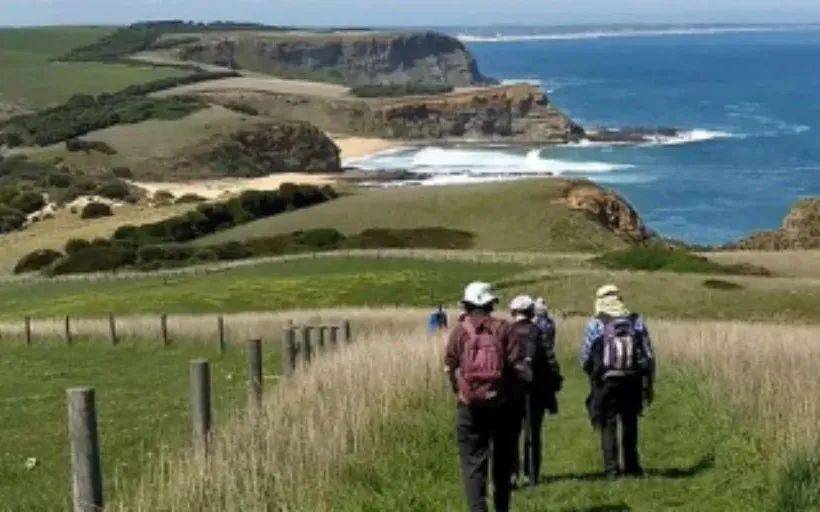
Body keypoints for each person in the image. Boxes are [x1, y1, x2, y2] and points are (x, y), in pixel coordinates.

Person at [445, 282, 530, 512]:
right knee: (502, 465)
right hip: (503, 406)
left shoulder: (459, 331)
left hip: (469, 406)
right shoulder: (504, 329)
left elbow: (449, 366)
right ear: (491, 303)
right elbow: (517, 367)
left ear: (468, 304)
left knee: (473, 466)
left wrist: (460, 392)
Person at [580, 284, 655, 479]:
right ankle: (632, 466)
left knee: (608, 423)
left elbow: (585, 357)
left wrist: (594, 375)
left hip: (606, 381)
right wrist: (648, 384)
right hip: (632, 378)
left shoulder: (596, 323)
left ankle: (611, 470)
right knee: (630, 422)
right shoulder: (636, 321)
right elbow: (648, 354)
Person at [508, 295, 563, 488]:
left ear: (513, 312)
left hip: (511, 391)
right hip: (535, 391)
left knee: (511, 434)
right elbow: (550, 361)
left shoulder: (506, 332)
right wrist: (555, 386)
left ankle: (511, 474)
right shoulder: (538, 332)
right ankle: (532, 476)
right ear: (531, 312)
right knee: (533, 433)